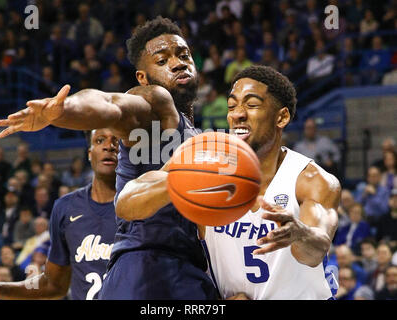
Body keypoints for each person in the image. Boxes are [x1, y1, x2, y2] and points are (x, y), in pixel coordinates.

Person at [0, 16, 218, 300]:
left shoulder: (201, 139)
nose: (177, 63)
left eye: (184, 55)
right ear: (142, 78)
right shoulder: (157, 105)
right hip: (145, 271)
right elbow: (110, 105)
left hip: (190, 272)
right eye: (161, 60)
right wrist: (63, 111)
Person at [115, 65, 341, 299]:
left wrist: (299, 234)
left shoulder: (311, 179)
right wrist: (182, 177)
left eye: (252, 105)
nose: (237, 114)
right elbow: (127, 206)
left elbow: (314, 251)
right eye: (232, 106)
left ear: (282, 117)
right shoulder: (205, 156)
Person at [0, 128, 118, 300]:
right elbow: (53, 285)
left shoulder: (146, 205)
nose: (109, 146)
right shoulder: (66, 207)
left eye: (116, 141)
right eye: (100, 140)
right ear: (90, 153)